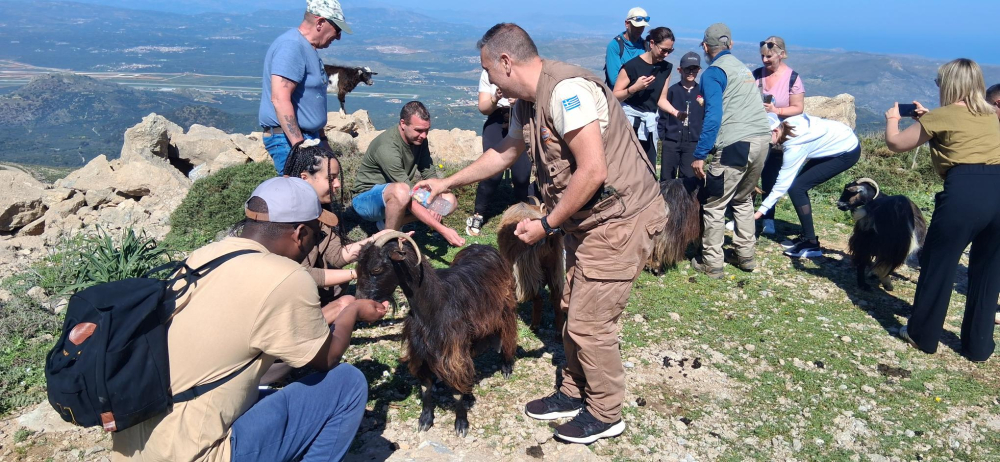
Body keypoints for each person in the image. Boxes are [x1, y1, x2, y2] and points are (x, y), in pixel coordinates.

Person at [415, 23, 665, 444]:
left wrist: (546, 224)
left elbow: (593, 170)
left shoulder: (569, 93)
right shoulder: (526, 103)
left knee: (590, 324)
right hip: (584, 222)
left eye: (488, 71)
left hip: (620, 219)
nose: (489, 82)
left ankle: (605, 412)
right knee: (570, 305)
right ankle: (572, 392)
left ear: (506, 62)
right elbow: (505, 151)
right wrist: (447, 183)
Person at [112, 177, 388, 461]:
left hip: (135, 443)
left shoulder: (203, 256)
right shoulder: (286, 277)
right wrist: (352, 310)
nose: (313, 244)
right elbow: (326, 358)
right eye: (317, 235)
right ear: (300, 233)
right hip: (196, 453)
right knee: (347, 383)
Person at [885, 58, 1000, 362]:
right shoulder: (992, 114)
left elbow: (896, 144)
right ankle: (978, 347)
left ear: (949, 85)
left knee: (939, 263)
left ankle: (922, 335)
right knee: (988, 270)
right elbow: (964, 139)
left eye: (939, 82)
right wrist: (930, 121)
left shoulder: (941, 116)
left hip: (965, 191)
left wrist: (893, 119)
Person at [689, 23, 771, 278]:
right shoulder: (742, 68)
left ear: (705, 47)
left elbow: (713, 116)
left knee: (715, 203)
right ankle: (746, 255)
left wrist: (701, 153)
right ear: (730, 45)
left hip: (737, 143)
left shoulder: (713, 73)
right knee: (743, 198)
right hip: (762, 141)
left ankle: (712, 262)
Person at [282, 140, 402, 310]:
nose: (337, 184)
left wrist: (378, 238)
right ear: (305, 179)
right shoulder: (286, 220)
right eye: (331, 179)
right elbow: (301, 274)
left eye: (337, 178)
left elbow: (336, 256)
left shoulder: (324, 213)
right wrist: (357, 274)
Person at [351, 101, 465, 246]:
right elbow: (409, 194)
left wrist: (436, 199)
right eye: (418, 130)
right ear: (403, 123)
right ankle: (388, 242)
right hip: (367, 200)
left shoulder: (420, 140)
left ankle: (389, 221)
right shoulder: (387, 147)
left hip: (401, 192)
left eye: (426, 130)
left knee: (449, 201)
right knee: (401, 192)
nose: (423, 135)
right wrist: (442, 229)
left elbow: (428, 171)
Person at [258, 0, 351, 175]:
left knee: (316, 195)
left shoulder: (308, 49)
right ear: (320, 22)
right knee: (300, 197)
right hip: (289, 140)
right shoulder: (291, 46)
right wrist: (300, 146)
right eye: (337, 29)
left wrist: (322, 140)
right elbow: (279, 98)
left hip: (309, 138)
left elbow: (310, 101)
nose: (338, 36)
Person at [753, 113, 860, 258]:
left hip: (846, 152)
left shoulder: (795, 146)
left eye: (765, 138)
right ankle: (807, 237)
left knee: (797, 188)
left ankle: (811, 244)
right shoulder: (787, 123)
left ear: (776, 131)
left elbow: (782, 184)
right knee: (798, 186)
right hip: (838, 140)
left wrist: (760, 212)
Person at [465, 69, 532, 236]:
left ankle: (523, 214)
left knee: (522, 175)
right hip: (497, 117)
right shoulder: (488, 73)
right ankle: (478, 214)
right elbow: (484, 107)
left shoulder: (524, 67)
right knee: (491, 172)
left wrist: (520, 98)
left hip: (521, 117)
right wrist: (495, 98)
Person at [755, 36, 806, 235]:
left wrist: (777, 110)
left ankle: (768, 217)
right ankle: (742, 214)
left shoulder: (793, 78)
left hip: (779, 133)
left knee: (770, 175)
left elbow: (798, 107)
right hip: (757, 130)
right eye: (762, 56)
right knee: (750, 174)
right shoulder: (756, 75)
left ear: (781, 55)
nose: (765, 60)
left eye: (769, 56)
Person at [612, 27, 679, 177]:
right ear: (652, 43)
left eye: (670, 51)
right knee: (626, 166)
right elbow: (614, 96)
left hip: (648, 123)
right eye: (663, 50)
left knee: (648, 167)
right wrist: (634, 88)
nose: (666, 54)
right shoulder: (632, 66)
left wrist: (676, 112)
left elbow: (661, 99)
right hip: (628, 122)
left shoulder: (666, 68)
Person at [660, 52, 705, 179]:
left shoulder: (702, 92)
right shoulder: (672, 91)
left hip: (693, 142)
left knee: (689, 179)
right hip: (671, 141)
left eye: (694, 69)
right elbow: (663, 115)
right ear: (680, 70)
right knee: (667, 178)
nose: (691, 72)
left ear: (699, 70)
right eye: (687, 69)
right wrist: (664, 137)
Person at [604, 7, 649, 87]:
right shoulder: (615, 46)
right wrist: (637, 85)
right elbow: (614, 81)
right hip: (620, 98)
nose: (639, 30)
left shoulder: (645, 46)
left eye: (642, 27)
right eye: (636, 26)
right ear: (627, 23)